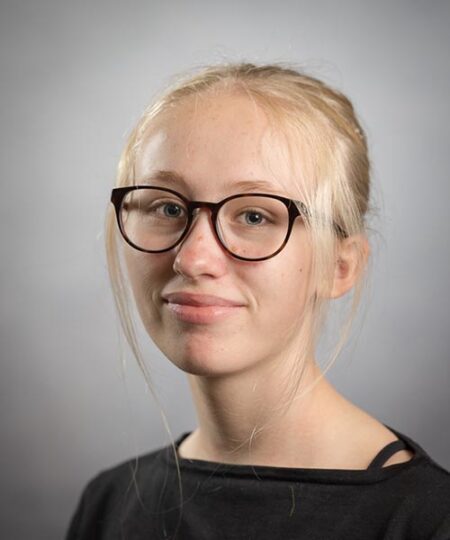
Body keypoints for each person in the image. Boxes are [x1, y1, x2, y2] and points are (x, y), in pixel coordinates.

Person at [66, 63, 450, 539]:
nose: (193, 258)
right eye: (168, 207)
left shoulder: (427, 522)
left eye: (253, 216)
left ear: (340, 267)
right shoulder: (107, 504)